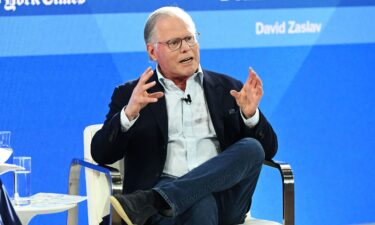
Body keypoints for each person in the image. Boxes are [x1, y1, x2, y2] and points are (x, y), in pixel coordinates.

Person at [91, 6, 277, 225]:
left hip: (225, 199)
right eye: (174, 43)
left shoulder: (229, 89)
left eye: (190, 39)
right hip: (167, 204)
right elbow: (101, 153)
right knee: (200, 204)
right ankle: (163, 199)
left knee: (252, 148)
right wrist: (128, 114)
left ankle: (152, 200)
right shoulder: (131, 94)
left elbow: (269, 150)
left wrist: (251, 115)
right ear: (152, 52)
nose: (186, 48)